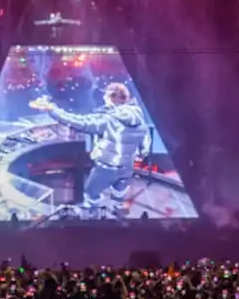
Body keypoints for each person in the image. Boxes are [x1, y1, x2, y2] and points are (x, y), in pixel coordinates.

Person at [30, 82, 151, 220]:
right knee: (119, 194)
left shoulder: (109, 119)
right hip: (127, 167)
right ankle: (116, 217)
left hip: (107, 166)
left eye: (105, 95)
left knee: (91, 193)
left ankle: (93, 220)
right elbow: (146, 138)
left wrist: (52, 110)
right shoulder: (139, 117)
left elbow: (80, 122)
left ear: (110, 97)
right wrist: (143, 153)